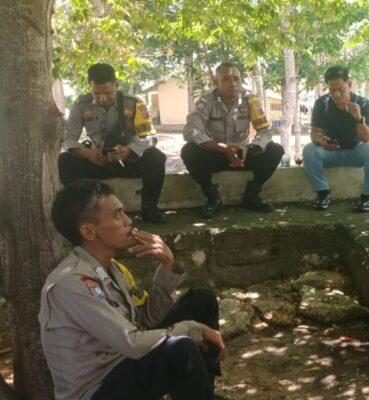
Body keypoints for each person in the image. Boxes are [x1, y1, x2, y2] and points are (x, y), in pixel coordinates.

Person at [40, 179, 227, 400]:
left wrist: (168, 265)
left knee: (202, 300)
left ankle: (202, 393)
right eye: (117, 215)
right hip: (97, 389)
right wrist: (191, 328)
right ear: (89, 232)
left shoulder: (109, 269)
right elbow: (132, 342)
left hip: (125, 364)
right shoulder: (71, 283)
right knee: (181, 347)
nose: (128, 221)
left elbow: (145, 320)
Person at [58, 63, 168, 223]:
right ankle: (85, 212)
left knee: (156, 157)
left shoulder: (134, 103)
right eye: (96, 93)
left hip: (129, 161)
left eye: (108, 93)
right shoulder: (81, 104)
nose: (102, 98)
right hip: (98, 161)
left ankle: (149, 208)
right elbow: (68, 139)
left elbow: (150, 137)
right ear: (90, 87)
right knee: (64, 161)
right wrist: (88, 154)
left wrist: (129, 150)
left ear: (116, 85)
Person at [182, 62, 284, 219]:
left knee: (275, 150)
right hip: (216, 154)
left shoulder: (249, 100)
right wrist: (223, 149)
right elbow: (192, 131)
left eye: (236, 79)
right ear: (216, 82)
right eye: (226, 79)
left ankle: (252, 195)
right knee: (189, 151)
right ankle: (213, 198)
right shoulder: (206, 100)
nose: (233, 84)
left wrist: (250, 148)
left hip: (242, 155)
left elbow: (264, 131)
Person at [302, 65, 369, 212]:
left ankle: (367, 196)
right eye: (332, 90)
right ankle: (323, 193)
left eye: (341, 89)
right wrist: (322, 141)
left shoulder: (363, 104)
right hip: (330, 153)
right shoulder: (322, 103)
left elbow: (367, 138)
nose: (337, 94)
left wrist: (359, 119)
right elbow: (314, 133)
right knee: (309, 150)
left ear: (349, 84)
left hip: (355, 152)